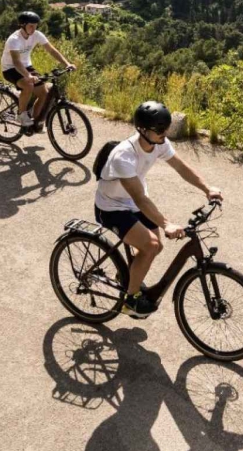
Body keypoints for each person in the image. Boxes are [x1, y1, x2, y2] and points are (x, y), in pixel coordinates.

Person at [94, 101, 221, 317]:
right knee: (151, 246)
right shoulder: (123, 156)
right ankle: (131, 300)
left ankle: (125, 276)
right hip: (111, 207)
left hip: (133, 202)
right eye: (160, 130)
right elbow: (140, 198)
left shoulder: (159, 143)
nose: (164, 133)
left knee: (156, 246)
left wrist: (207, 188)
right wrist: (166, 223)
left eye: (166, 128)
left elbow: (181, 167)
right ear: (142, 130)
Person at [0, 11, 74, 133]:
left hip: (27, 66)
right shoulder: (14, 39)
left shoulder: (37, 35)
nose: (34, 28)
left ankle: (34, 121)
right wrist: (27, 76)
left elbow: (51, 50)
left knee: (44, 93)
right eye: (31, 26)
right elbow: (16, 62)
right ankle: (21, 114)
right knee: (28, 85)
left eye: (36, 25)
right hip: (10, 68)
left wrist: (67, 64)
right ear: (22, 25)